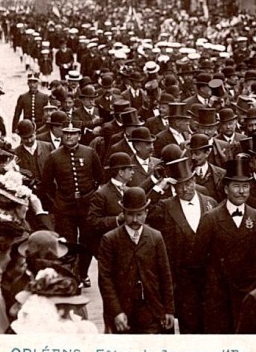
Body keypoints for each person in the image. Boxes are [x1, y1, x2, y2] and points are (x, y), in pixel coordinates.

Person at [196, 154, 256, 333]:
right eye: (236, 186)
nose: (241, 191)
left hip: (249, 297)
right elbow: (197, 263)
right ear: (225, 188)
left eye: (245, 186)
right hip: (219, 299)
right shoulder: (210, 219)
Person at [148, 156, 217, 334]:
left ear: (194, 180)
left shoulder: (209, 203)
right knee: (189, 326)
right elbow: (144, 211)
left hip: (209, 279)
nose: (186, 188)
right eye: (180, 185)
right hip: (182, 281)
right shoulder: (165, 207)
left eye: (189, 183)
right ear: (173, 186)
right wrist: (158, 188)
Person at [97, 187, 175, 334]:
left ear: (146, 213)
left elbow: (165, 275)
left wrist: (169, 309)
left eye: (139, 214)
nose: (134, 220)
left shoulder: (155, 237)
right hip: (123, 314)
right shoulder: (110, 239)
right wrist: (116, 311)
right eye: (130, 215)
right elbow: (105, 280)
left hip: (151, 311)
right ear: (123, 214)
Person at [39, 122, 104, 288]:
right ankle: (72, 275)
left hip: (87, 206)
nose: (69, 136)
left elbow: (99, 176)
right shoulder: (54, 156)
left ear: (79, 136)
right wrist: (56, 202)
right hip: (65, 208)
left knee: (87, 241)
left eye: (73, 133)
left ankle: (83, 273)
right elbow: (46, 184)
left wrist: (91, 196)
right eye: (66, 133)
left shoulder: (89, 153)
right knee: (69, 242)